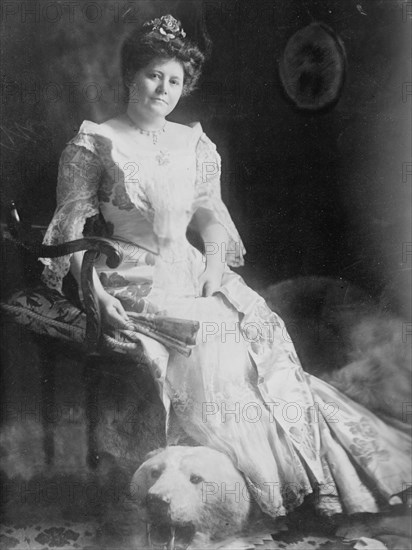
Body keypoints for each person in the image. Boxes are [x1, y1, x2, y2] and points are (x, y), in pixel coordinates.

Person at [41, 15, 411, 520]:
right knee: (214, 350)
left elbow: (212, 221)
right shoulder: (96, 142)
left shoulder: (194, 143)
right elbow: (70, 227)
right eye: (153, 75)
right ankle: (238, 494)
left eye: (174, 81)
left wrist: (214, 271)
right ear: (131, 75)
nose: (163, 89)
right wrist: (95, 293)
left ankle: (308, 477)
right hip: (128, 272)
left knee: (262, 337)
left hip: (193, 269)